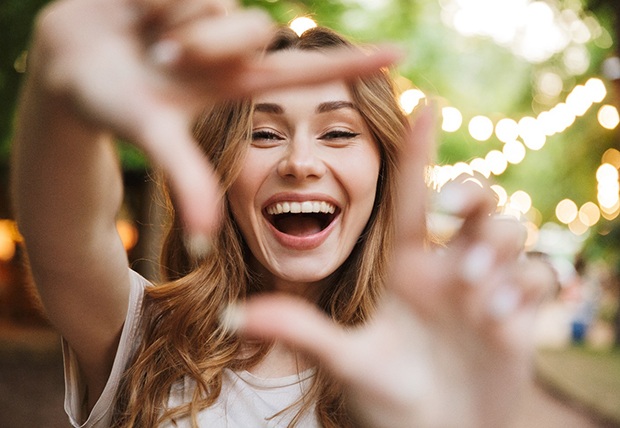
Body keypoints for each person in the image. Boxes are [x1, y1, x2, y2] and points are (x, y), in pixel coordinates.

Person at [11, 0, 554, 427]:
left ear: (385, 171)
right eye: (264, 134)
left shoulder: (426, 369)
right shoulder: (139, 336)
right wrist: (59, 102)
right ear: (221, 167)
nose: (299, 161)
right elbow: (68, 231)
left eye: (338, 133)